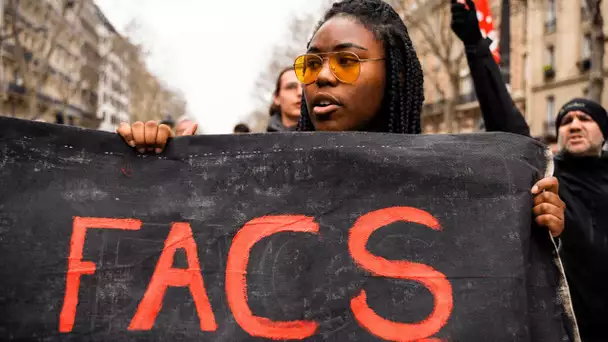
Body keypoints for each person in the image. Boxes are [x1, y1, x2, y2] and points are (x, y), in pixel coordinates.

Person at [118, 0, 564, 239]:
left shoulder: (453, 183)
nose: (323, 76)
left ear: (394, 74)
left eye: (347, 61)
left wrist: (542, 229)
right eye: (310, 65)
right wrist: (152, 170)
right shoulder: (262, 176)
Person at [451, 1, 607, 339]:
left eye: (585, 118)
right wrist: (475, 48)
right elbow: (507, 121)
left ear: (603, 132)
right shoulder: (548, 174)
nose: (574, 125)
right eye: (566, 120)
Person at [267, 67, 302, 132]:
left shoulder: (325, 139)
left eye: (304, 87)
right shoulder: (261, 140)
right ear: (277, 97)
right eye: (291, 87)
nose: (300, 93)